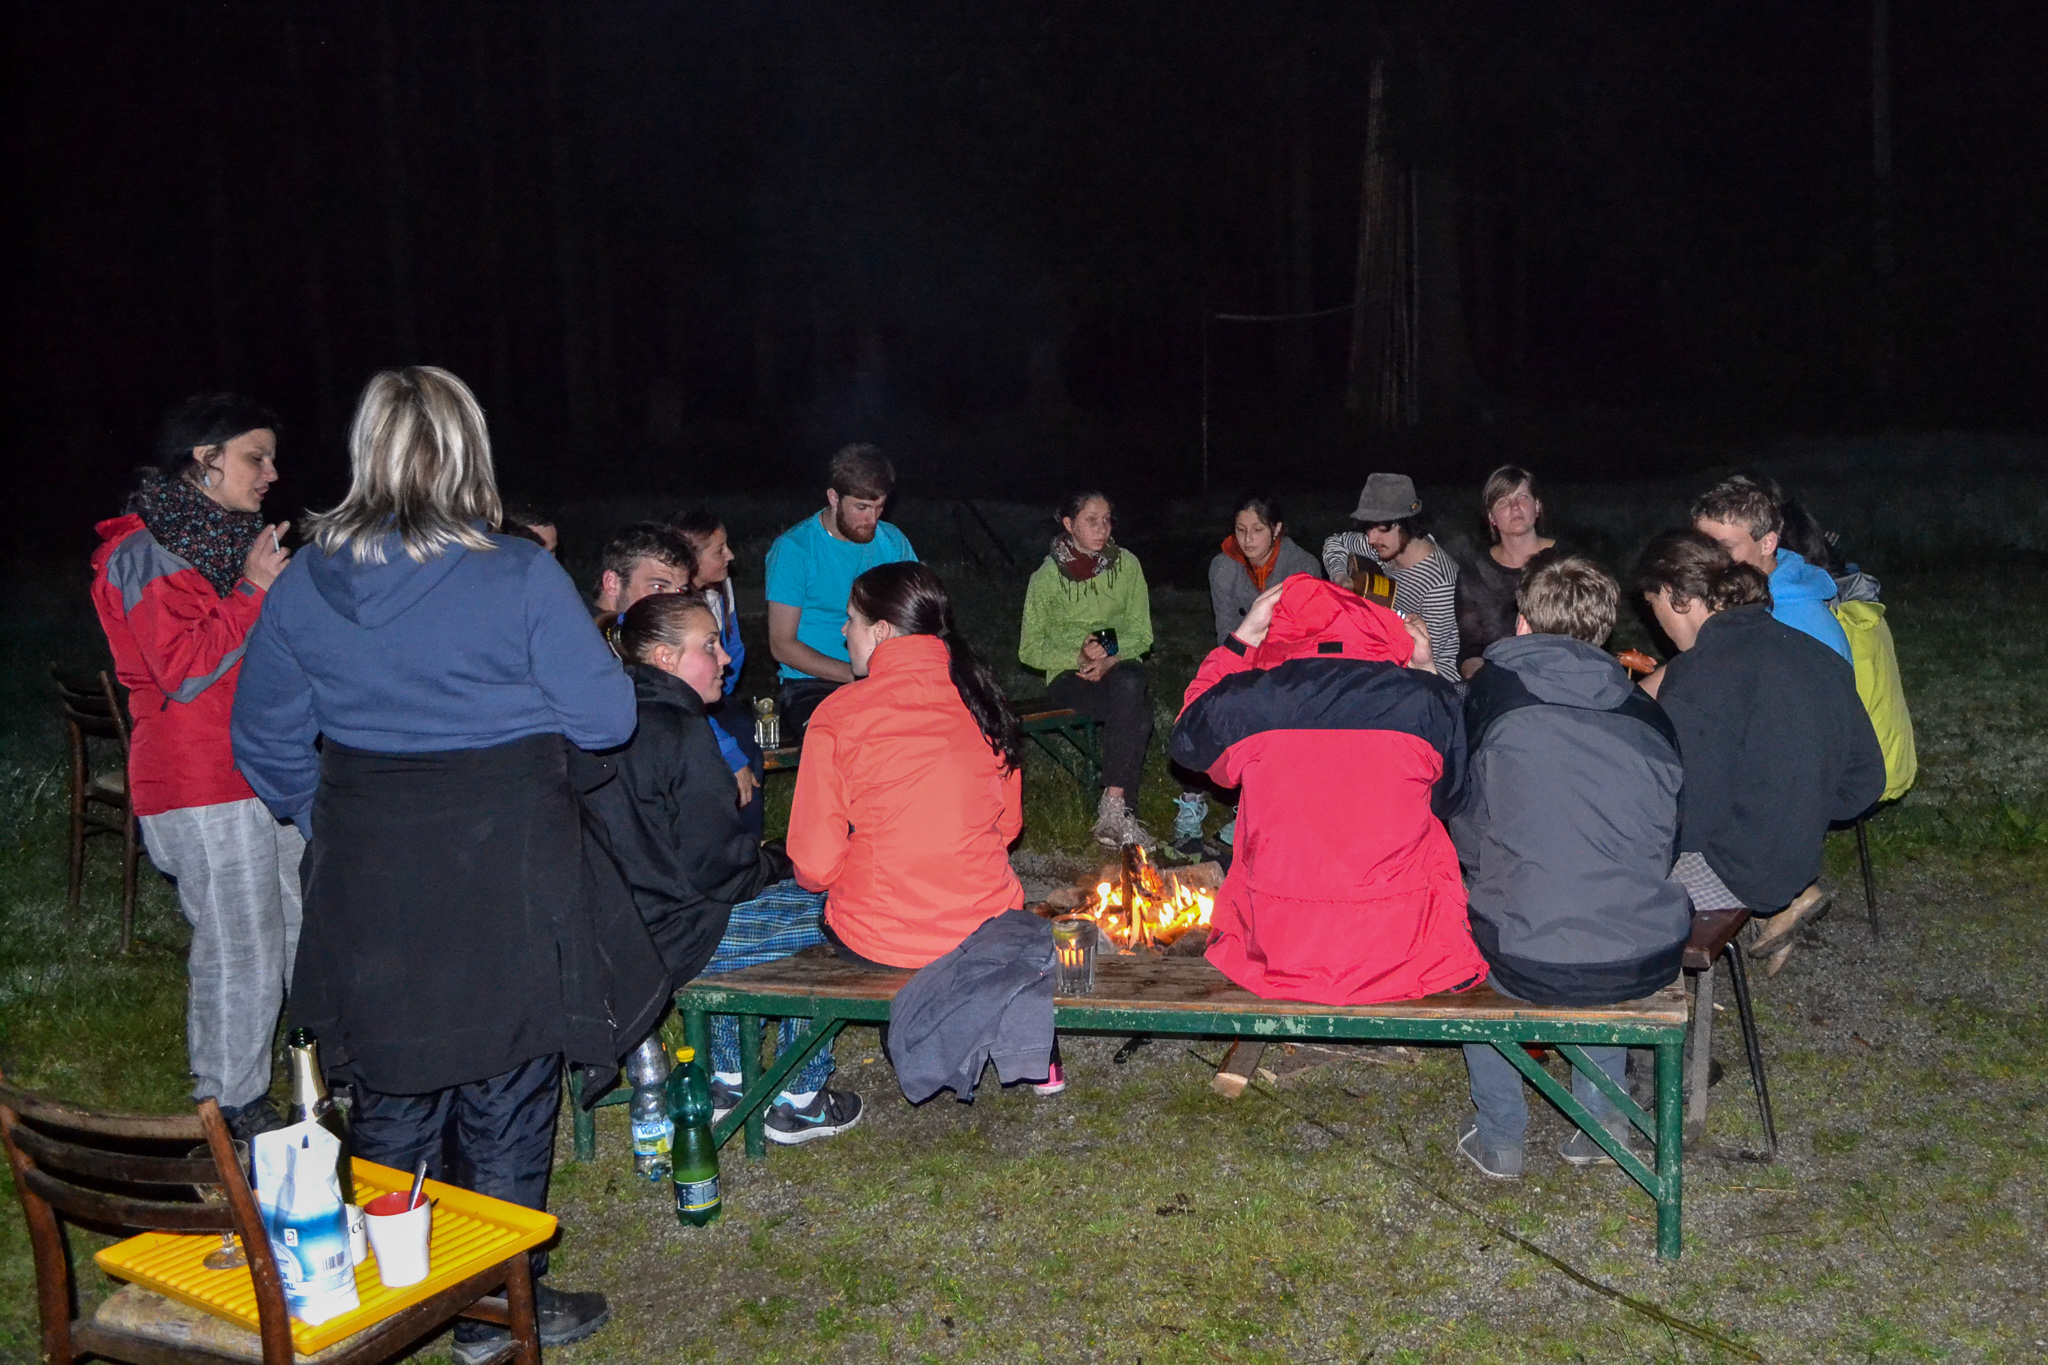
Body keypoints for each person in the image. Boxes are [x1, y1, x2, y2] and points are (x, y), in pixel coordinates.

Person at [231, 367, 663, 1361]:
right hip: (506, 862)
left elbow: (263, 738)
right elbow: (606, 717)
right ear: (469, 452)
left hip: (371, 868)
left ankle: (389, 1299)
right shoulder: (517, 575)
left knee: (391, 1080)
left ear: (367, 452)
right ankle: (489, 1311)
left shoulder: (303, 582)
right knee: (507, 1084)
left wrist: (331, 818)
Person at [90, 394, 299, 1141]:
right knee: (241, 948)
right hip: (199, 778)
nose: (271, 473)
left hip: (262, 769)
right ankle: (230, 1105)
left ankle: (307, 1071)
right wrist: (254, 590)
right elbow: (180, 668)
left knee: (296, 925)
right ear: (204, 459)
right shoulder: (144, 551)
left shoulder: (221, 543)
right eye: (255, 457)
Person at [589, 593, 863, 1142]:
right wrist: (782, 859)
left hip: (614, 933)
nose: (726, 659)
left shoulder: (606, 718)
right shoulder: (679, 731)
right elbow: (724, 873)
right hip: (674, 940)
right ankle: (800, 1095)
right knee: (845, 907)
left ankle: (730, 1078)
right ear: (665, 659)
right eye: (710, 646)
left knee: (777, 898)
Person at [1451, 556, 1689, 1178]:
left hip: (1526, 953)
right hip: (1640, 950)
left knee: (1482, 929)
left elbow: (1466, 832)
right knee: (1589, 916)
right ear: (1603, 631)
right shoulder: (1647, 715)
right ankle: (1602, 1120)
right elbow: (1664, 844)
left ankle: (1501, 1136)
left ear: (1523, 622)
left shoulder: (1489, 699)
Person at [1169, 575, 1486, 1005]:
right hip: (1401, 948)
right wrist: (1427, 674)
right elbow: (1452, 798)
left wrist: (1240, 642)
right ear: (1377, 625)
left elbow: (1188, 739)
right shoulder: (1426, 700)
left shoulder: (1251, 699)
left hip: (1280, 948)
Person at [1634, 530, 1885, 977]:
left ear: (1676, 597)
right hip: (1800, 856)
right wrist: (1798, 811)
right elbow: (1865, 781)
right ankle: (1788, 898)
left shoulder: (1696, 679)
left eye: (1653, 605)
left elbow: (1686, 823)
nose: (1657, 624)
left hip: (1739, 871)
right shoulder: (1812, 649)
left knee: (1602, 887)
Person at [1018, 492, 1157, 847]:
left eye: (1107, 519)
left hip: (1119, 668)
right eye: (1091, 520)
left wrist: (1110, 657)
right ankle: (1124, 814)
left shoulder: (1127, 566)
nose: (1102, 528)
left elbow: (1142, 633)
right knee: (1137, 713)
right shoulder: (1046, 578)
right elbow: (1030, 649)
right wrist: (1078, 657)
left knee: (1130, 681)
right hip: (1070, 676)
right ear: (1069, 524)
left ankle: (1113, 804)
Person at [764, 443, 918, 734]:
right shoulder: (794, 550)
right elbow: (782, 645)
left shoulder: (892, 542)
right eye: (862, 507)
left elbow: (919, 618)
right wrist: (856, 675)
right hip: (814, 682)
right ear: (834, 497)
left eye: (880, 507)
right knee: (846, 738)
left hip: (887, 674)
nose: (873, 519)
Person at [669, 507, 767, 831]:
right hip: (679, 700)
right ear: (692, 559)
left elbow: (734, 651)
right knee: (723, 750)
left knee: (743, 732)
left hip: (712, 695)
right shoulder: (673, 605)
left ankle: (748, 842)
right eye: (719, 550)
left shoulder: (721, 588)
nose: (731, 555)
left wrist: (718, 688)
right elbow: (679, 688)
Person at [1690, 474, 1851, 661]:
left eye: (1725, 548)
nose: (1707, 559)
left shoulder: (1798, 623)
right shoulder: (1736, 595)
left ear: (1767, 544)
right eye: (1701, 546)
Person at [1319, 473, 1462, 682]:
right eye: (1368, 527)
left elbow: (1428, 661)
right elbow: (1336, 542)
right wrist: (1341, 578)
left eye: (1381, 529)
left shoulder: (1439, 584)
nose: (1371, 539)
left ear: (1406, 524)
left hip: (1430, 681)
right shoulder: (1387, 547)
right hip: (1385, 655)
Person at [1455, 465, 1559, 680]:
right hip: (1498, 682)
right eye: (1503, 501)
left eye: (1523, 497)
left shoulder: (1566, 562)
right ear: (1491, 518)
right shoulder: (1474, 573)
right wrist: (1487, 684)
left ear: (1537, 507)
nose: (1515, 507)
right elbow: (1470, 650)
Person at [1208, 492, 1322, 646]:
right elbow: (1226, 631)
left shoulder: (1303, 567)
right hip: (1243, 651)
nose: (1247, 539)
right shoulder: (1222, 568)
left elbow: (1305, 632)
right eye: (1241, 530)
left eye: (1257, 530)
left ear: (1276, 529)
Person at [591, 521, 691, 617]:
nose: (674, 606)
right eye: (659, 587)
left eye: (680, 592)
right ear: (612, 583)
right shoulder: (584, 626)